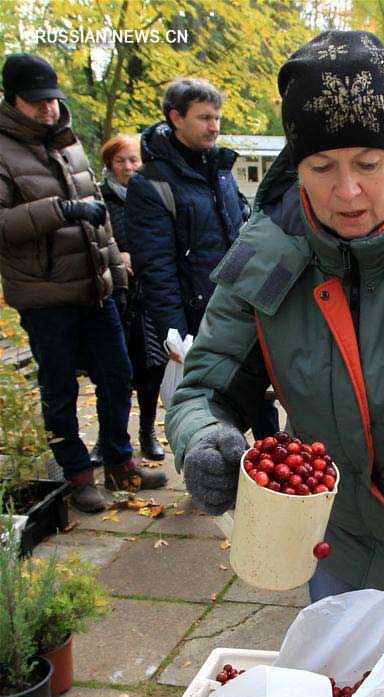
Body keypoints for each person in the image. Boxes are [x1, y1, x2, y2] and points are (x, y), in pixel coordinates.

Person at [166, 30, 384, 610]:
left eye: (368, 163)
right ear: (296, 163)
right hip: (334, 534)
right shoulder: (265, 248)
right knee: (344, 684)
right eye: (321, 165)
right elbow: (205, 385)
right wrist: (203, 439)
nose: (347, 191)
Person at [0, 54, 167, 512]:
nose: (48, 109)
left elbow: (102, 222)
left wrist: (116, 276)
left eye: (52, 99)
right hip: (44, 293)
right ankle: (77, 475)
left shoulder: (70, 145)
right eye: (36, 102)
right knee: (60, 389)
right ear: (12, 99)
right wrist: (61, 210)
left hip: (97, 290)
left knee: (118, 376)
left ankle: (119, 462)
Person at [125, 78, 278, 440]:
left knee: (261, 401)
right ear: (176, 118)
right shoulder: (151, 184)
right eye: (204, 118)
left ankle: (276, 477)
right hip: (195, 321)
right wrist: (174, 331)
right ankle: (212, 477)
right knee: (212, 408)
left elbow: (242, 237)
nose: (214, 126)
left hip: (241, 309)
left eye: (217, 118)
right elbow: (156, 266)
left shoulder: (221, 171)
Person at [94, 134, 166, 464]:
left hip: (147, 295)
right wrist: (115, 255)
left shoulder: (150, 193)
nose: (128, 167)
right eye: (120, 161)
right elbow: (92, 238)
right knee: (112, 373)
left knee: (151, 369)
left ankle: (147, 432)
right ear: (110, 164)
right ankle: (109, 437)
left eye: (133, 160)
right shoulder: (100, 196)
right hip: (114, 294)